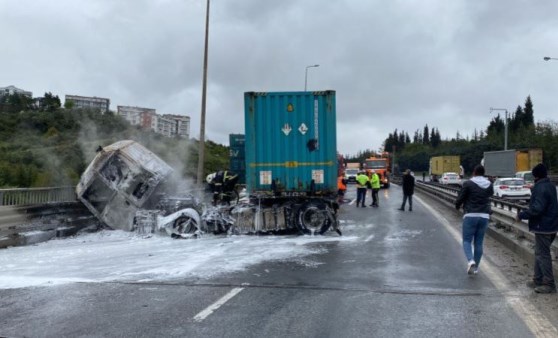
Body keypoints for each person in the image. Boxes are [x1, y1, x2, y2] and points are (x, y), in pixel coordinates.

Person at [516, 163, 558, 293]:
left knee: (543, 255)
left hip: (543, 226)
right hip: (551, 225)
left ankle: (548, 284)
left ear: (535, 176)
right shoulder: (551, 186)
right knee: (539, 253)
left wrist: (521, 215)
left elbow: (537, 209)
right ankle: (538, 279)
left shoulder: (540, 188)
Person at [455, 165, 493, 275]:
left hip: (470, 215)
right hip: (484, 216)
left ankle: (470, 260)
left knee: (467, 240)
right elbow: (489, 195)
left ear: (474, 172)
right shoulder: (489, 184)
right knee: (479, 243)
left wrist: (457, 206)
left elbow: (461, 197)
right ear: (484, 173)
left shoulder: (468, 183)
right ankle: (476, 268)